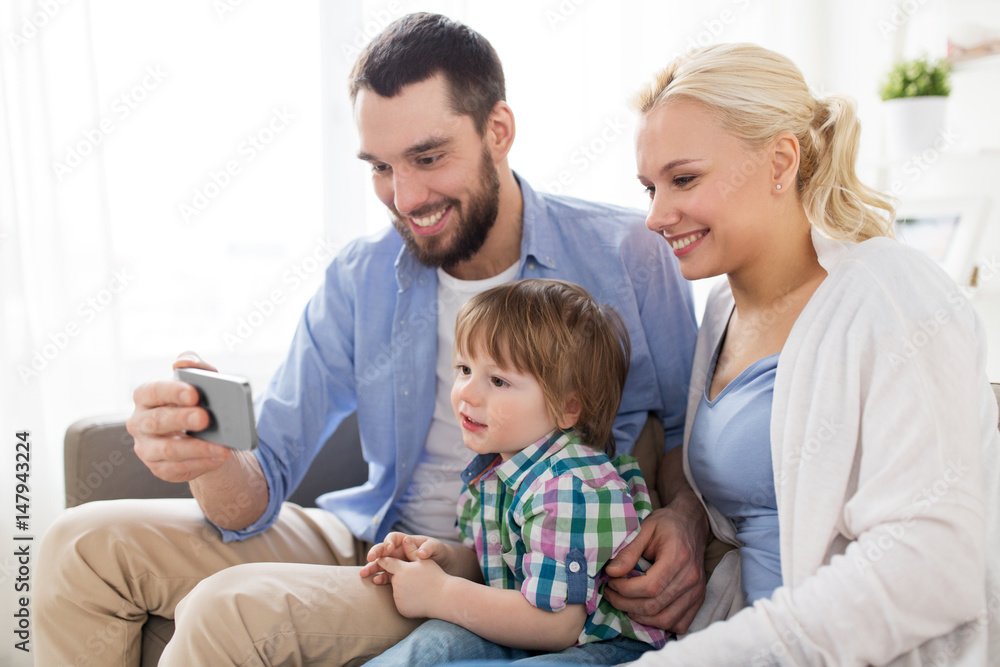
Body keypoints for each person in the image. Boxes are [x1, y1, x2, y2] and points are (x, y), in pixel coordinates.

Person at [34, 13, 707, 666]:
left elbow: (689, 436)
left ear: (498, 130)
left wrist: (686, 520)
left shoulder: (628, 254)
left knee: (228, 607)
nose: (404, 196)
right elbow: (259, 483)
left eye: (427, 157)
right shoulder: (360, 278)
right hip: (366, 536)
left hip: (488, 567)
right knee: (74, 543)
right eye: (380, 167)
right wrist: (209, 458)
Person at [617, 43, 997, 665]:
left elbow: (931, 565)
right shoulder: (722, 310)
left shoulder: (891, 294)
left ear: (780, 161)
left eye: (684, 179)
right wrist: (686, 513)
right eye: (648, 187)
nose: (656, 215)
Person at [361, 279, 670, 665]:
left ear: (568, 409)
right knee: (426, 648)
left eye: (499, 380)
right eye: (464, 368)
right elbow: (498, 565)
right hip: (524, 622)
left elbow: (557, 625)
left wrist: (440, 594)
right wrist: (443, 560)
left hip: (601, 644)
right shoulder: (494, 470)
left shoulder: (569, 487)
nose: (467, 394)